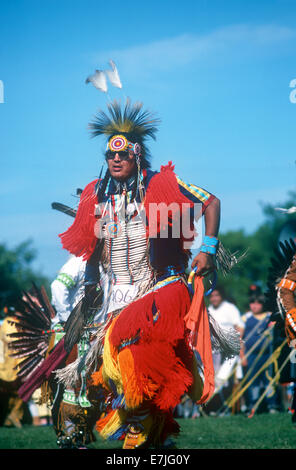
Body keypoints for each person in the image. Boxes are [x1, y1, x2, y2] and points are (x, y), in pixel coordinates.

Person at [55, 99, 240, 449]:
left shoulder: (160, 185)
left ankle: (143, 428)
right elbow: (94, 250)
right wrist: (92, 282)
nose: (116, 160)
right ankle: (147, 432)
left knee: (133, 354)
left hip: (158, 288)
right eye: (110, 156)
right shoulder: (97, 195)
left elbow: (211, 202)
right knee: (102, 367)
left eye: (122, 155)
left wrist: (208, 248)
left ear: (136, 155)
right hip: (114, 292)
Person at [241, 294, 278, 414]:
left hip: (267, 355)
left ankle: (272, 404)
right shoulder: (245, 318)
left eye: (258, 303)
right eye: (252, 303)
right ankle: (253, 404)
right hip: (251, 356)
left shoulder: (269, 316)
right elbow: (239, 339)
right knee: (253, 381)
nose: (255, 306)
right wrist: (242, 356)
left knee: (269, 380)